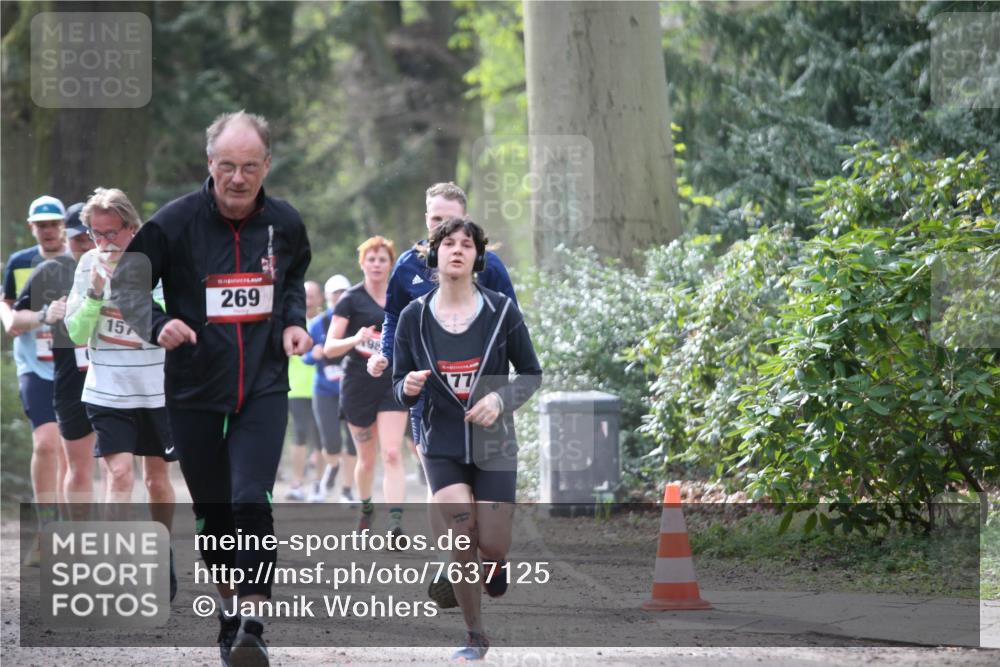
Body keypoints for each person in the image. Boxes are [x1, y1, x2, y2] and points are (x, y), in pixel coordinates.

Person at [112, 110, 311, 667]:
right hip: (194, 389)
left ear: (266, 164)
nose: (238, 178)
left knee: (251, 498)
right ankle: (228, 614)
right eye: (227, 166)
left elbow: (293, 278)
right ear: (210, 163)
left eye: (249, 166)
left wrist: (293, 322)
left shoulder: (285, 223)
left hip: (264, 384)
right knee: (214, 511)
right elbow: (127, 284)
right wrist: (157, 324)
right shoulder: (174, 223)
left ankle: (253, 623)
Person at [392, 217, 541, 661]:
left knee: (491, 542)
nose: (457, 249)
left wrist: (500, 399)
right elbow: (398, 384)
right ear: (434, 254)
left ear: (478, 257)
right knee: (461, 536)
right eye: (449, 243)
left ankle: (495, 562)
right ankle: (475, 634)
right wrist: (408, 388)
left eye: (467, 245)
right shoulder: (414, 316)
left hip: (493, 441)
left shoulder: (500, 310)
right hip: (441, 441)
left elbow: (530, 373)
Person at [64, 187, 178, 598]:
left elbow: (170, 322)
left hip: (156, 390)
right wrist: (95, 294)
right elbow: (75, 333)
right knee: (119, 473)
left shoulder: (157, 263)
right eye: (96, 234)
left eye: (111, 233)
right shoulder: (87, 265)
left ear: (132, 228)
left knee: (157, 481)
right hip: (107, 389)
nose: (104, 242)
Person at [367, 182, 517, 448]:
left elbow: (511, 322)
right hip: (427, 387)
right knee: (435, 470)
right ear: (426, 218)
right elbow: (394, 316)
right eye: (436, 219)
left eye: (450, 219)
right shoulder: (408, 265)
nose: (442, 226)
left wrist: (508, 377)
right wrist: (385, 355)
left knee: (482, 472)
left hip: (481, 389)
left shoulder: (488, 264)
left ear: (466, 219)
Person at [11, 203, 98, 510]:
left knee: (112, 464)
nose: (84, 245)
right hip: (55, 372)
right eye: (77, 239)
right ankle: (49, 521)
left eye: (90, 238)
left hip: (111, 375)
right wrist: (45, 315)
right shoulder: (46, 269)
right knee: (55, 449)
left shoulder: (124, 268)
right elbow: (14, 319)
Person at [323, 237, 408, 539]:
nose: (376, 264)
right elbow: (329, 348)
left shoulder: (402, 296)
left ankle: (395, 523)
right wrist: (355, 339)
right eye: (371, 259)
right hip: (358, 385)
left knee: (392, 453)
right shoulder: (350, 300)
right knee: (367, 459)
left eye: (382, 259)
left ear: (391, 264)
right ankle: (367, 508)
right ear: (362, 264)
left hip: (391, 382)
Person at [2, 195, 70, 526]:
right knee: (45, 444)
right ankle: (46, 524)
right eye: (41, 225)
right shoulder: (20, 262)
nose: (48, 231)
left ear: (63, 226)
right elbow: (7, 305)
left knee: (69, 450)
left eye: (54, 224)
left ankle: (67, 522)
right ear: (32, 227)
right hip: (33, 364)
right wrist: (14, 319)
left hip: (73, 365)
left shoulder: (78, 259)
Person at [301, 274, 356, 504]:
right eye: (335, 292)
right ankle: (332, 467)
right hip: (325, 392)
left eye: (343, 291)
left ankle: (347, 490)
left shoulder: (357, 320)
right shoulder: (317, 324)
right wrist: (312, 355)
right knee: (331, 444)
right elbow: (304, 355)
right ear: (327, 296)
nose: (340, 296)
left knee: (353, 444)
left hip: (353, 391)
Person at [284, 280, 324, 501]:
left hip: (321, 389)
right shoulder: (292, 322)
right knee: (299, 434)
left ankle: (318, 484)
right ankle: (297, 483)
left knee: (320, 438)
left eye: (312, 296)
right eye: (305, 295)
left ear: (320, 298)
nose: (308, 300)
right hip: (296, 388)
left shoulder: (326, 322)